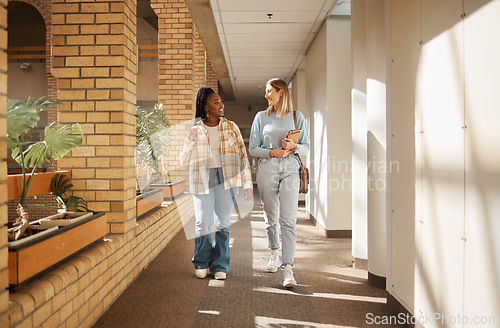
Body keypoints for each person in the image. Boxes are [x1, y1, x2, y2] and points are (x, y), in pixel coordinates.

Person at [180, 87, 253, 280]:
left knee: (223, 224)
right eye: (216, 102)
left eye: (221, 101)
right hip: (201, 179)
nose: (221, 105)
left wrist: (247, 183)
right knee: (203, 223)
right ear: (206, 107)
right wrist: (190, 143)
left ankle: (220, 264)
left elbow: (242, 155)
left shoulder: (231, 127)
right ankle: (202, 262)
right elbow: (183, 161)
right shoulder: (195, 130)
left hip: (228, 178)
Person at [249, 78, 310, 287]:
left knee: (288, 219)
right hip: (267, 168)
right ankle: (274, 251)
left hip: (291, 169)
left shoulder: (297, 117)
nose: (266, 95)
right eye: (266, 92)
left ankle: (288, 268)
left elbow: (306, 147)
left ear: (281, 92)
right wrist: (272, 151)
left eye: (269, 91)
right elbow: (253, 148)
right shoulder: (261, 117)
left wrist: (294, 145)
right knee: (271, 216)